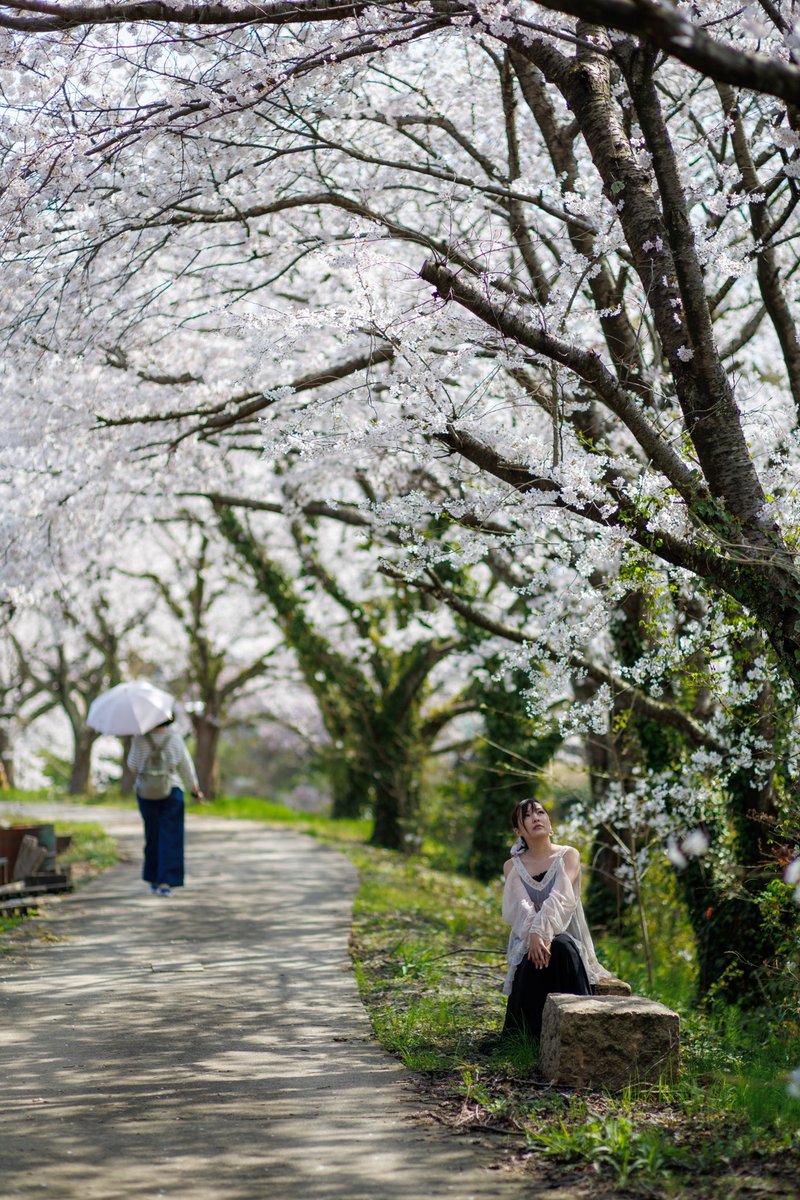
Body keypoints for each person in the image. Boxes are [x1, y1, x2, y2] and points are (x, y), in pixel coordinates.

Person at [501, 798, 612, 1040]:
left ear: (550, 823)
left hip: (564, 935)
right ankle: (527, 1038)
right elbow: (520, 908)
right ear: (518, 831)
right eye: (528, 816)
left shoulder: (568, 856)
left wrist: (541, 932)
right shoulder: (512, 866)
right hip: (528, 940)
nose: (536, 818)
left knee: (561, 947)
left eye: (540, 813)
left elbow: (561, 898)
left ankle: (576, 1032)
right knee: (531, 957)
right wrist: (535, 936)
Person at [127, 716, 204, 897]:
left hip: (146, 792)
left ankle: (152, 879)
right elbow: (186, 765)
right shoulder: (175, 738)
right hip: (172, 790)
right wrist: (194, 789)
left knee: (152, 835)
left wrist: (136, 744)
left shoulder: (140, 739)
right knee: (171, 837)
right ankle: (166, 882)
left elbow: (132, 765)